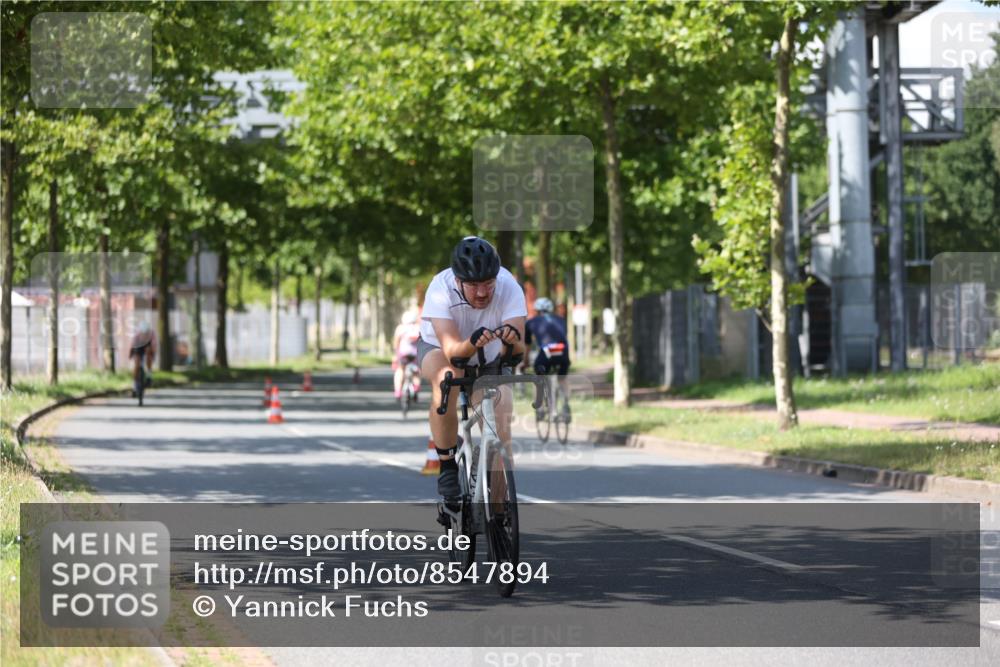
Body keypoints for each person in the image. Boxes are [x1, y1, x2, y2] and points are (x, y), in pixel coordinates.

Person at [417, 236, 526, 507]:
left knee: (502, 419)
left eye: (488, 284)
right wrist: (473, 341)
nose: (482, 293)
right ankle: (447, 466)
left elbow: (518, 350)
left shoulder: (509, 286)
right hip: (442, 349)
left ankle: (499, 512)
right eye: (473, 285)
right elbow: (454, 350)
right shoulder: (440, 289)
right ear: (458, 281)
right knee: (446, 381)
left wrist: (511, 340)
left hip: (488, 357)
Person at [525, 297, 571, 414]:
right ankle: (566, 403)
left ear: (536, 310)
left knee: (538, 377)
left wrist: (525, 362)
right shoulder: (561, 320)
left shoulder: (531, 322)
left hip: (547, 351)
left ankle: (539, 407)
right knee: (562, 378)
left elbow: (528, 346)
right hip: (563, 351)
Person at [392, 309, 422, 401]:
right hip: (415, 354)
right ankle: (416, 387)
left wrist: (395, 354)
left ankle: (398, 391)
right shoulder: (419, 327)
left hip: (403, 353)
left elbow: (396, 342)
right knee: (416, 372)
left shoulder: (401, 328)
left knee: (400, 370)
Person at [128, 320, 157, 395]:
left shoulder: (152, 334)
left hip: (148, 347)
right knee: (137, 365)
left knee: (148, 353)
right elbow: (132, 346)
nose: (144, 335)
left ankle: (149, 375)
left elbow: (154, 347)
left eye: (146, 334)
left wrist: (152, 355)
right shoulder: (137, 335)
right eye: (143, 334)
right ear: (140, 332)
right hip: (138, 347)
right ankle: (134, 386)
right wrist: (131, 355)